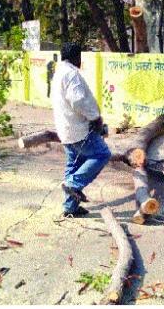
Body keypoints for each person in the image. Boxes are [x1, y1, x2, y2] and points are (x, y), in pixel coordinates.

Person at [51, 42, 111, 217]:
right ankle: (74, 185)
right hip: (79, 130)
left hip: (66, 130)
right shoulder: (71, 74)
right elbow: (77, 100)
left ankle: (70, 208)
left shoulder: (59, 73)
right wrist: (95, 117)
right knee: (102, 154)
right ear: (77, 57)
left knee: (74, 165)